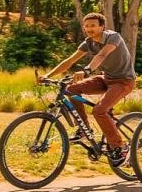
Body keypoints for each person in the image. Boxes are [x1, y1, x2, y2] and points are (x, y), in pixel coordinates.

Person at [42, 12, 137, 165]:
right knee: (71, 90)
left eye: (93, 25)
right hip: (106, 79)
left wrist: (86, 70)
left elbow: (102, 55)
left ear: (102, 26)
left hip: (123, 81)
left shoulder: (113, 37)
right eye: (86, 26)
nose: (89, 28)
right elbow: (70, 60)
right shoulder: (88, 42)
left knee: (99, 111)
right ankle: (84, 130)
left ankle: (121, 147)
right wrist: (47, 75)